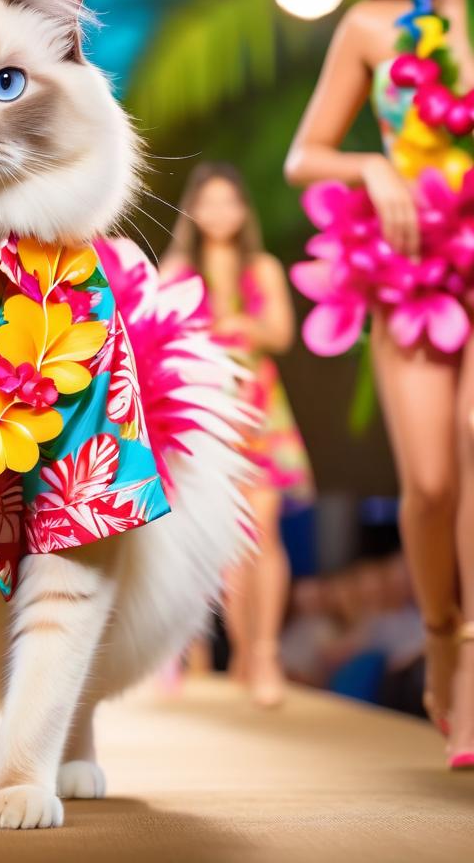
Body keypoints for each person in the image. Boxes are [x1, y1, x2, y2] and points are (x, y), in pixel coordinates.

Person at [286, 0, 474, 768]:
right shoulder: (373, 25)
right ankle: (441, 635)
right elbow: (302, 157)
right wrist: (370, 163)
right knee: (433, 483)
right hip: (415, 264)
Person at [161, 162, 313, 707]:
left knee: (264, 534)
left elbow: (282, 334)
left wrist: (242, 327)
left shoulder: (263, 266)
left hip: (260, 412)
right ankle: (243, 650)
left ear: (243, 210)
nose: (221, 213)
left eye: (230, 202)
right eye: (211, 203)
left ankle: (265, 652)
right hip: (207, 416)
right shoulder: (178, 269)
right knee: (229, 544)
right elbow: (160, 336)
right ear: (195, 211)